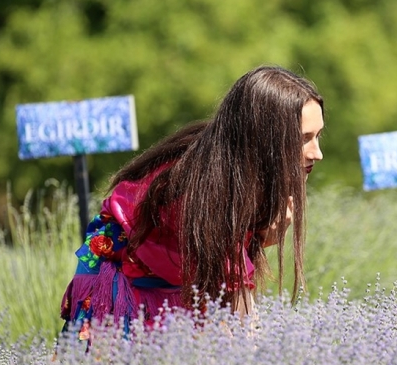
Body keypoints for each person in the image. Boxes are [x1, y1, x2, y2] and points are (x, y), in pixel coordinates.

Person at [60, 66, 325, 338]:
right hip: (116, 282)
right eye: (304, 139)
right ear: (265, 139)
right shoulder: (211, 189)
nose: (317, 153)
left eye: (318, 136)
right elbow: (241, 323)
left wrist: (260, 237)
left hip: (164, 286)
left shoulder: (241, 170)